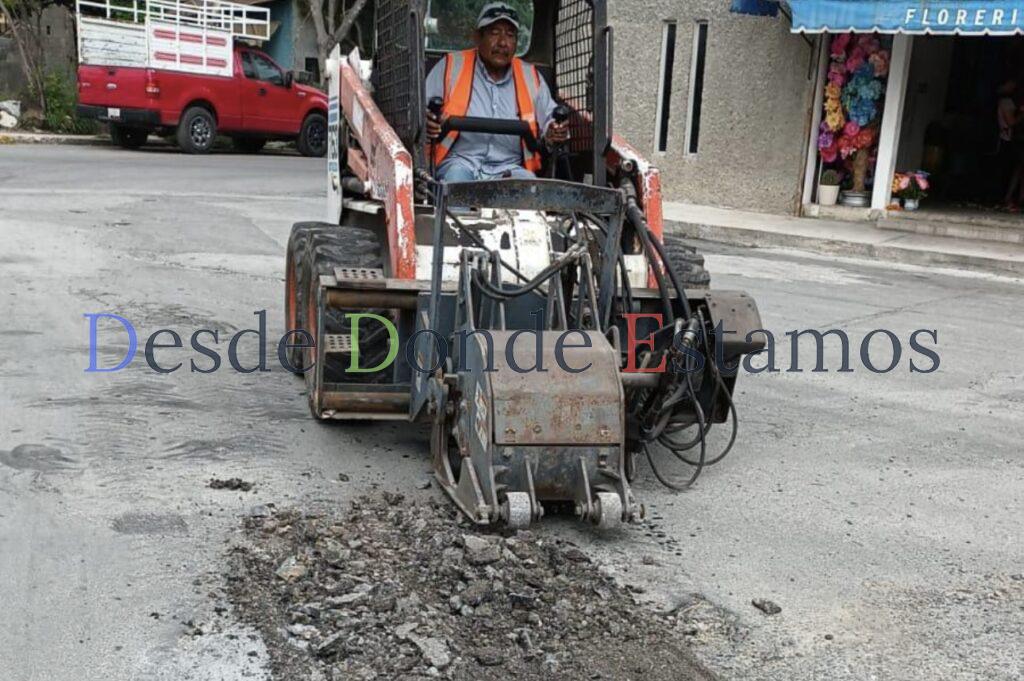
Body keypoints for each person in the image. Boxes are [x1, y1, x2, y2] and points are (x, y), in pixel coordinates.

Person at [424, 2, 569, 182]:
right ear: (478, 37)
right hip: (460, 162)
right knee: (455, 183)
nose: (502, 43)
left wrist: (554, 131)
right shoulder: (450, 66)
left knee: (529, 186)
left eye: (510, 35)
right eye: (494, 33)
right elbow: (419, 114)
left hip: (510, 167)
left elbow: (551, 119)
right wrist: (427, 120)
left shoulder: (531, 76)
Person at [997, 79, 1024, 210]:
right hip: (1009, 139)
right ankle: (1008, 197)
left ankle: (1014, 197)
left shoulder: (1008, 101)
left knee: (1018, 169)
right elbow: (1011, 122)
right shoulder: (1006, 102)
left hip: (1013, 139)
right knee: (1014, 169)